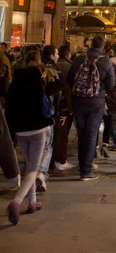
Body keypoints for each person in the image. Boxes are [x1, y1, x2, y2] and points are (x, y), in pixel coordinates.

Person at [5, 49, 54, 225]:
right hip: (38, 128)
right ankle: (16, 201)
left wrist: (12, 132)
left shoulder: (15, 80)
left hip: (20, 130)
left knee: (28, 166)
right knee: (33, 169)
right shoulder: (39, 78)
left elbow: (8, 106)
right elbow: (52, 93)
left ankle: (32, 202)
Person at [67, 36, 115, 180]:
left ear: (90, 45)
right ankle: (86, 171)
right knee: (91, 133)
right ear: (102, 46)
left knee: (82, 133)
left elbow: (69, 80)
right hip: (96, 101)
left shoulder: (78, 59)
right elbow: (111, 85)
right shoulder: (106, 61)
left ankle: (83, 166)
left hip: (78, 99)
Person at [36, 45, 63, 192]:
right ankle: (41, 173)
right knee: (47, 145)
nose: (57, 56)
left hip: (30, 113)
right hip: (48, 111)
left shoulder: (29, 71)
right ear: (52, 55)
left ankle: (33, 172)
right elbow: (56, 93)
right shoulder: (51, 71)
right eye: (56, 53)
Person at [52, 45, 74, 171]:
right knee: (63, 133)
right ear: (68, 54)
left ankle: (55, 159)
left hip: (55, 105)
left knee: (56, 133)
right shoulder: (70, 67)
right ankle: (61, 159)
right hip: (65, 104)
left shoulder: (54, 66)